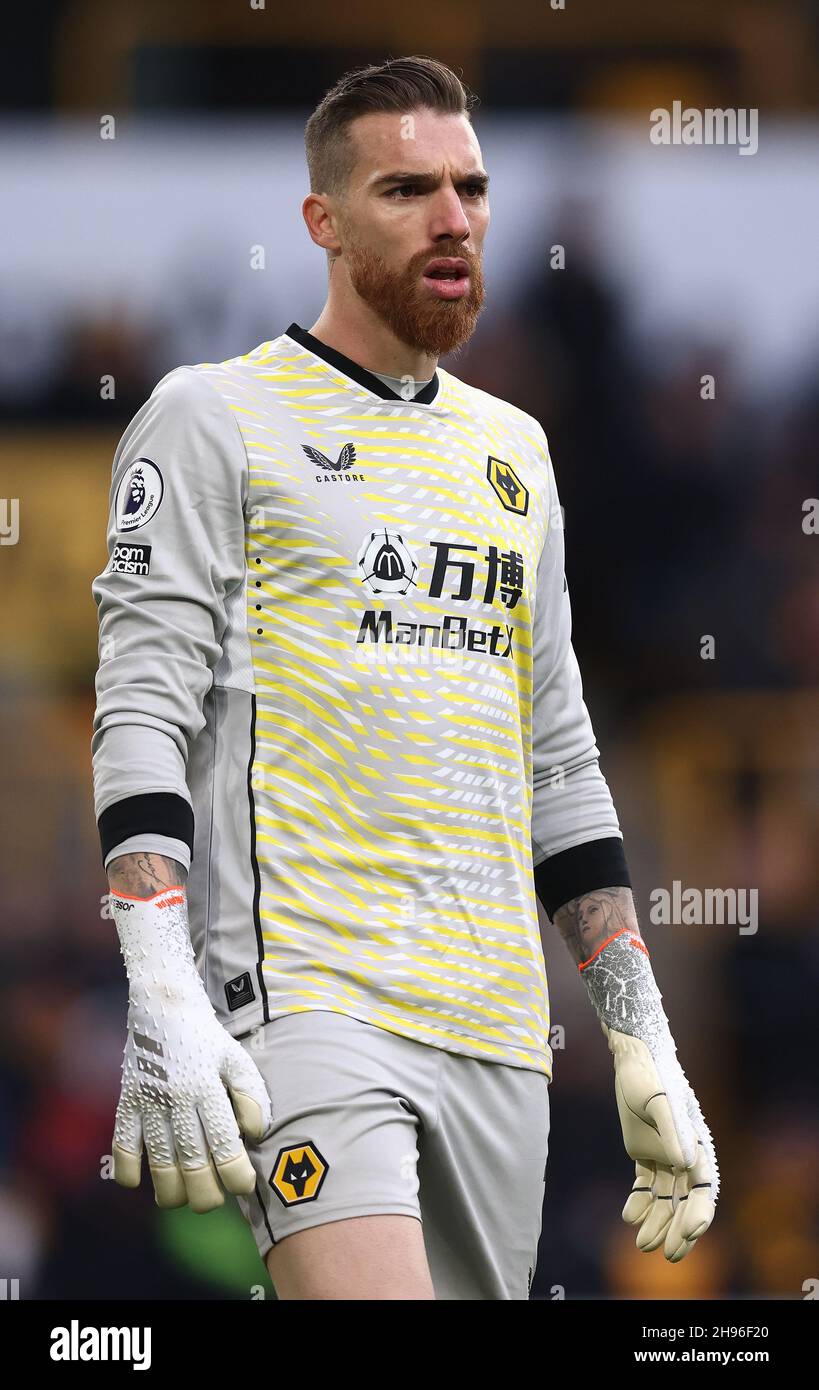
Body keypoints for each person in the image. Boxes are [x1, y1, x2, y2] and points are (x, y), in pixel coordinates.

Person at [91, 54, 718, 1301]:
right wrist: (162, 989)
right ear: (322, 222)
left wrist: (642, 1034)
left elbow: (562, 760)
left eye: (472, 188)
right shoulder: (212, 416)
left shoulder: (515, 451)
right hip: (308, 1005)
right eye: (407, 189)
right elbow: (141, 712)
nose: (454, 219)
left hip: (499, 1029)